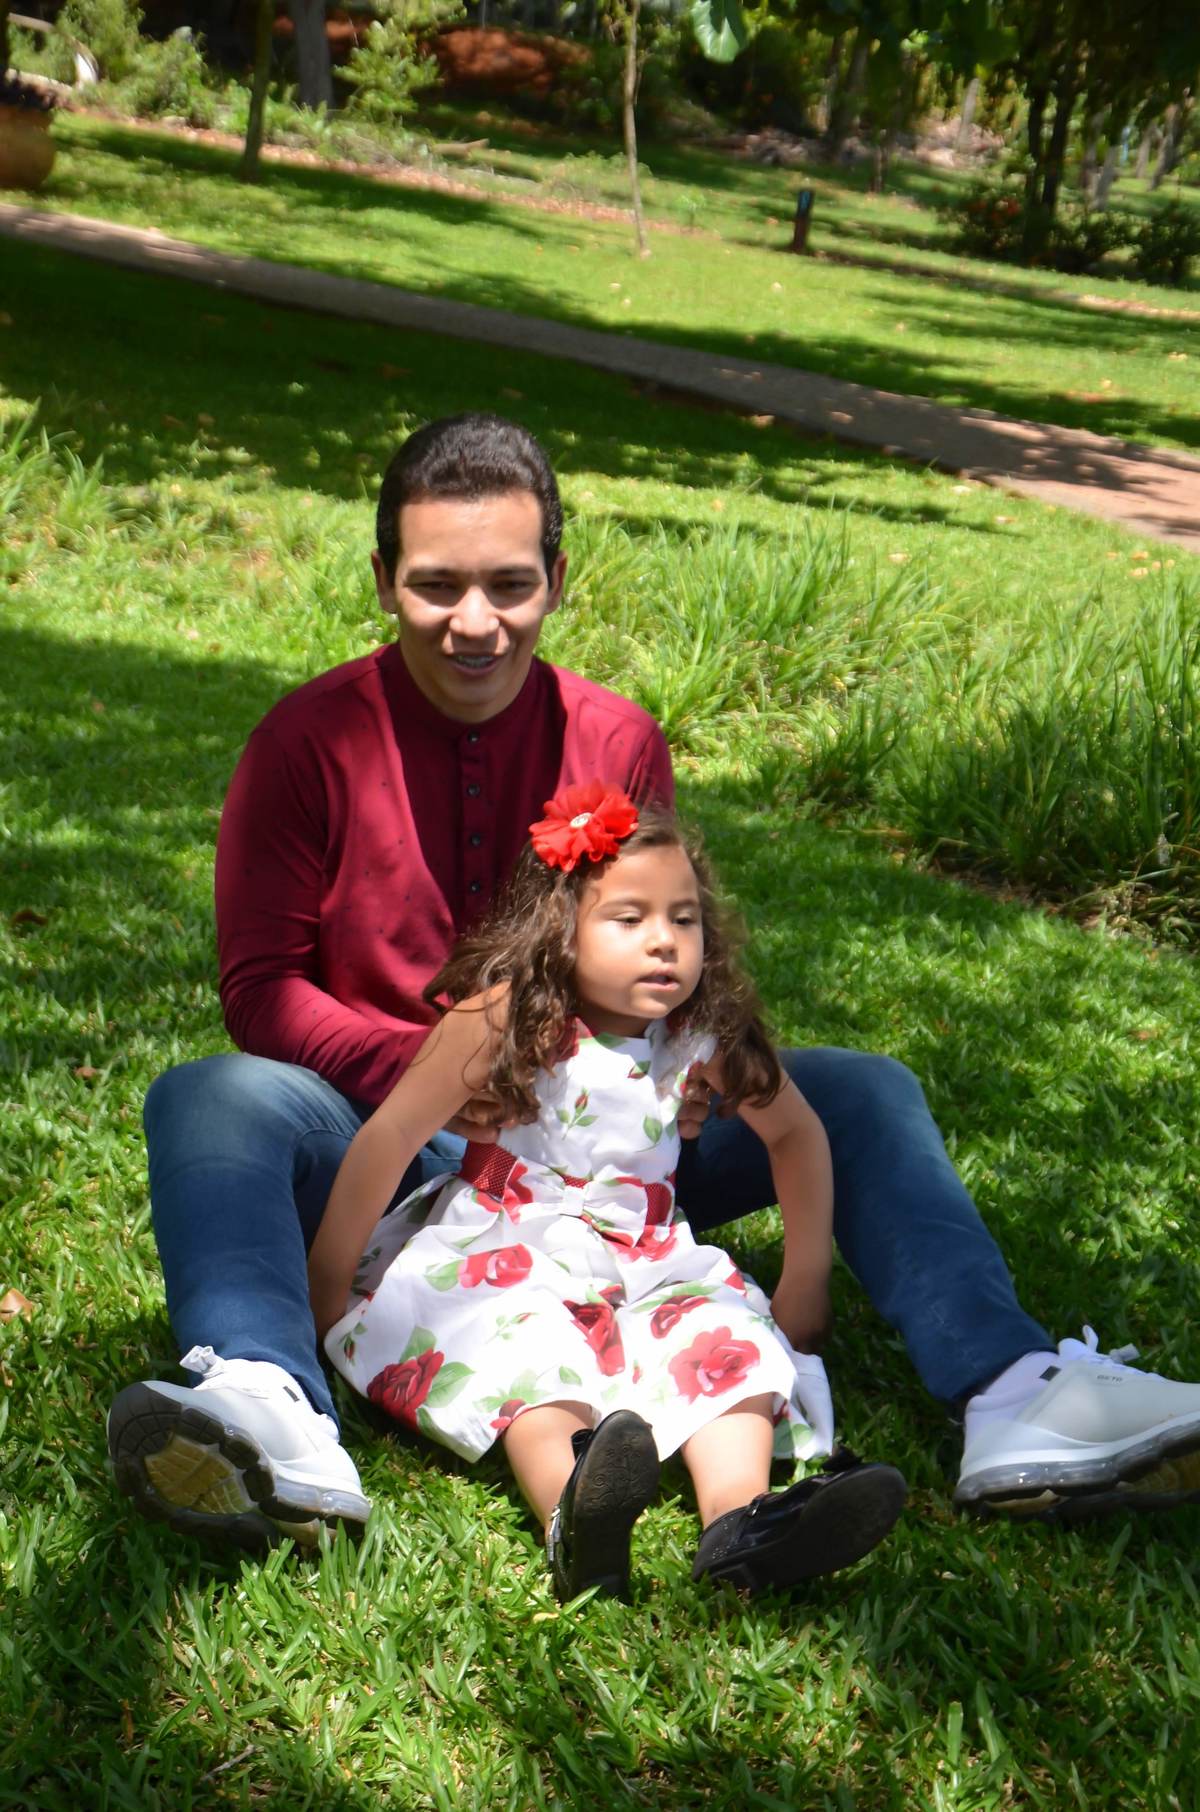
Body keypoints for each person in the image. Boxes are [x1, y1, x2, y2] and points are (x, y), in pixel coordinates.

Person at [108, 412, 1200, 1555]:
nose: (474, 622)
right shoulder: (306, 741)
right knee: (209, 1095)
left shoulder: (618, 737)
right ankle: (269, 1399)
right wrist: (443, 1073)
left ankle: (1015, 1389)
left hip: (603, 1149)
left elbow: (655, 954)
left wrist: (679, 1062)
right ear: (384, 580)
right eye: (436, 585)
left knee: (862, 1091)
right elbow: (262, 987)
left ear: (556, 580)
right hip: (383, 1128)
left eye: (508, 584)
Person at [307, 784, 908, 1598]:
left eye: (684, 919)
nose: (664, 942)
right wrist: (328, 1282)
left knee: (725, 1345)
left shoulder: (701, 1034)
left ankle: (741, 1523)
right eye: (629, 919)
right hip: (507, 1247)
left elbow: (795, 1133)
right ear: (560, 929)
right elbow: (393, 1136)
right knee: (531, 1356)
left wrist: (806, 1275)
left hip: (650, 1259)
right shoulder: (502, 1017)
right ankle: (576, 1512)